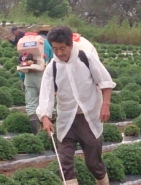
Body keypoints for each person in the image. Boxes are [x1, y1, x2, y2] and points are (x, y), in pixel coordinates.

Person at [36, 26, 116, 185]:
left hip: (89, 118)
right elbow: (46, 93)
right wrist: (45, 116)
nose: (59, 53)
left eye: (63, 48)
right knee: (64, 162)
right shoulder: (52, 67)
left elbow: (105, 82)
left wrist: (105, 106)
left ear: (71, 44)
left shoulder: (86, 58)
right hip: (66, 120)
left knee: (93, 163)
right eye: (55, 49)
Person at [21, 36, 53, 135]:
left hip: (28, 74)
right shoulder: (46, 43)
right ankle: (50, 133)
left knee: (31, 104)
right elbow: (52, 60)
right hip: (43, 73)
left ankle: (37, 134)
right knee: (48, 101)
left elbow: (22, 63)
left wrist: (23, 79)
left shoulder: (25, 43)